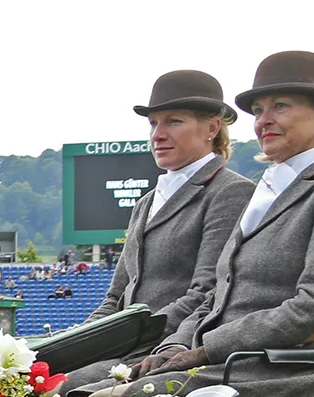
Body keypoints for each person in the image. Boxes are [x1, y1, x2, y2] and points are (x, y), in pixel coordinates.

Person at [86, 51, 314, 397]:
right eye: (258, 111)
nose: (264, 121)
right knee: (83, 394)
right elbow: (217, 293)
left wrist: (205, 349)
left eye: (280, 106)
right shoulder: (269, 189)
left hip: (286, 371)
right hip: (230, 363)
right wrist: (175, 345)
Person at [87, 71, 255, 338]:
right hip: (128, 345)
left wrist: (126, 337)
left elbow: (206, 292)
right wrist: (75, 342)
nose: (157, 135)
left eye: (173, 122)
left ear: (212, 128)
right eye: (153, 124)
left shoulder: (230, 192)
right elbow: (115, 297)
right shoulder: (145, 203)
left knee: (67, 382)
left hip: (168, 346)